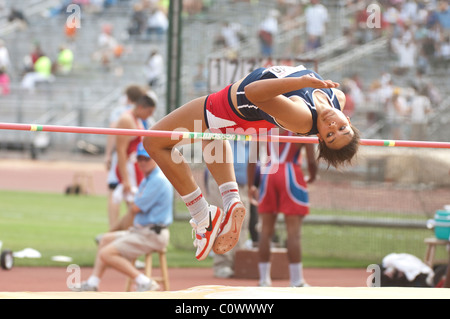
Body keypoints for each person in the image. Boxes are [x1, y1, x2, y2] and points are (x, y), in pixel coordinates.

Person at [143, 64, 360, 261]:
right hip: (251, 117)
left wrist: (301, 82)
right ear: (348, 120)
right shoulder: (337, 98)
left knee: (153, 142)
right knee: (212, 133)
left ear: (320, 137)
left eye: (330, 135)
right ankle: (230, 201)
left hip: (231, 105)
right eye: (341, 128)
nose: (333, 125)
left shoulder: (303, 117)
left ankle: (202, 214)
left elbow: (253, 92)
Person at [72, 143, 173, 292]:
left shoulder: (156, 180)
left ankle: (144, 281)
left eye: (147, 158)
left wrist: (127, 193)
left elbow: (135, 209)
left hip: (152, 234)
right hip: (144, 231)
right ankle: (93, 283)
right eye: (140, 159)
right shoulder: (148, 179)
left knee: (106, 253)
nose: (143, 162)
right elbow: (133, 209)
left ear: (155, 159)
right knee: (106, 240)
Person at [248, 129, 317, 287]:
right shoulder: (302, 127)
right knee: (293, 233)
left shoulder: (264, 125)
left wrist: (252, 185)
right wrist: (312, 175)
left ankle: (264, 280)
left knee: (265, 231)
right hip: (291, 173)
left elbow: (252, 160)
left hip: (268, 173)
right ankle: (296, 280)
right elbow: (312, 161)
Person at [105, 85, 147, 230]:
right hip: (128, 160)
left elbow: (112, 134)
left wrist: (108, 154)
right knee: (124, 195)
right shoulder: (129, 115)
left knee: (119, 194)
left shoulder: (128, 112)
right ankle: (114, 232)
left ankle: (114, 231)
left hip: (131, 161)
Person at [114, 89, 157, 216]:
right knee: (134, 210)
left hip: (137, 168)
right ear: (140, 107)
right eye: (149, 112)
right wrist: (126, 179)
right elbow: (121, 151)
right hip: (129, 169)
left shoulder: (137, 119)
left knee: (138, 209)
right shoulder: (126, 120)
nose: (149, 115)